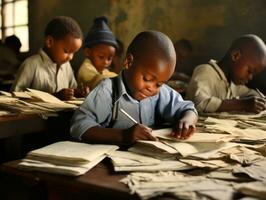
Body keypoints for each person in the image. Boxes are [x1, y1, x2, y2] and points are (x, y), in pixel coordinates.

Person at [70, 30, 198, 146]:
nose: (152, 88)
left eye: (159, 84)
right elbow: (79, 126)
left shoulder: (159, 94)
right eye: (147, 79)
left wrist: (187, 121)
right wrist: (124, 135)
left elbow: (188, 109)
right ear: (128, 62)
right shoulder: (107, 91)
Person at [11, 16, 87, 100]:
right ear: (49, 42)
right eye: (66, 51)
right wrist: (54, 96)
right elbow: (15, 97)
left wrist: (78, 93)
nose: (71, 57)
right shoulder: (31, 64)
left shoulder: (66, 66)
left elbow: (72, 88)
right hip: (36, 113)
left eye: (73, 53)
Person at [186, 34, 266, 113]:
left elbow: (249, 93)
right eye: (249, 71)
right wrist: (242, 104)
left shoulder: (232, 82)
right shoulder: (206, 71)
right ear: (235, 56)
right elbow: (198, 103)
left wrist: (260, 100)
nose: (250, 77)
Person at [77, 16, 118, 91]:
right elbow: (100, 81)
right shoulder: (86, 69)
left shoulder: (103, 70)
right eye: (101, 57)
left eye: (109, 58)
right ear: (88, 52)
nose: (106, 62)